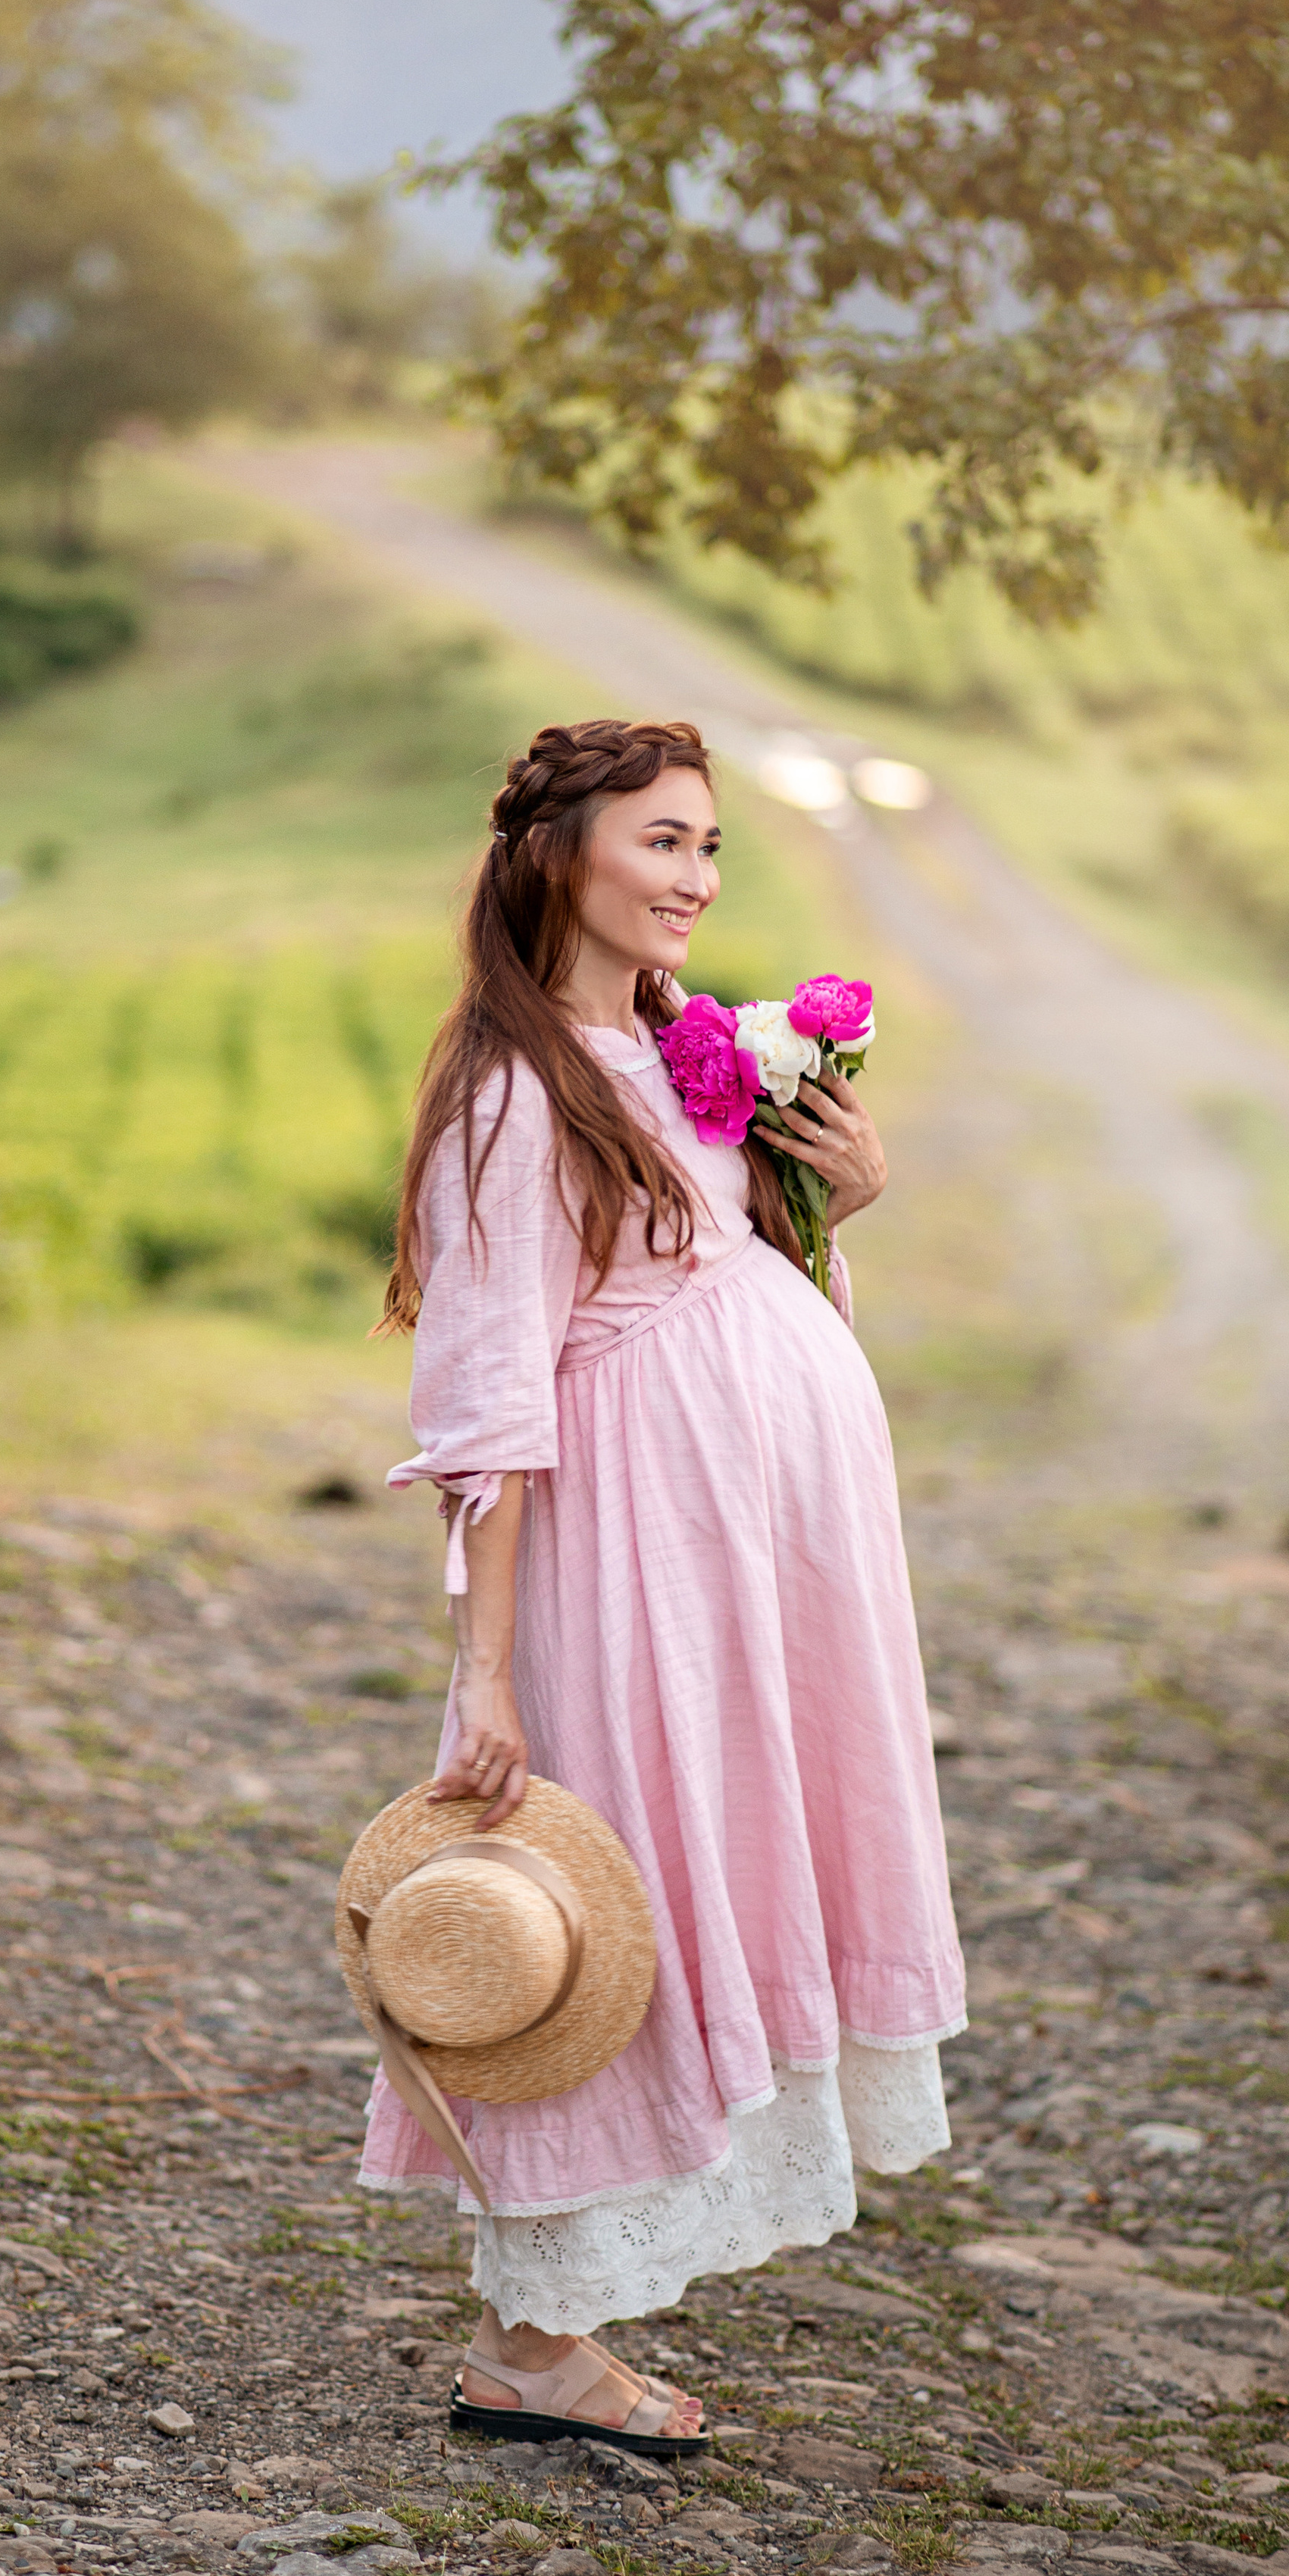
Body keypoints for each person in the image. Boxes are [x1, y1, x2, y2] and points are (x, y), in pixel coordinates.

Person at [368, 716, 965, 2449]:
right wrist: (482, 1679)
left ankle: (549, 2330)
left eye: (710, 847)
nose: (698, 880)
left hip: (745, 1567)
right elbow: (487, 1399)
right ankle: (528, 2345)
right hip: (631, 1563)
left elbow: (725, 1279)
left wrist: (836, 1199)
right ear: (562, 853)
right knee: (597, 1907)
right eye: (663, 843)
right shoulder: (512, 1086)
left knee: (698, 1885)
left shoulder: (679, 1053)